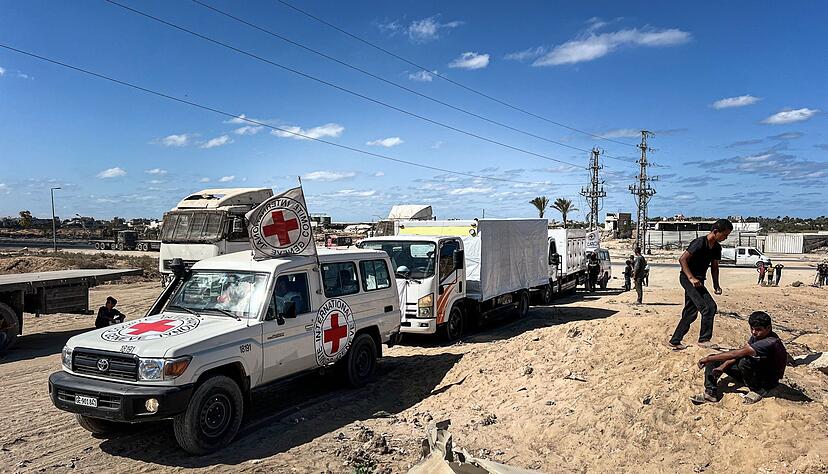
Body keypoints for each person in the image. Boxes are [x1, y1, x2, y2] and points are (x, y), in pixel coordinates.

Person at [691, 311, 787, 405]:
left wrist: (707, 359)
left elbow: (738, 354)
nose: (754, 332)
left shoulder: (770, 342)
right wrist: (723, 366)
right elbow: (741, 353)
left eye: (758, 329)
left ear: (768, 328)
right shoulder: (758, 336)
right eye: (752, 328)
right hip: (756, 372)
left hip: (768, 380)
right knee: (715, 359)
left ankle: (757, 390)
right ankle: (710, 393)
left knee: (744, 361)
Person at [667, 219, 733, 350]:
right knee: (708, 307)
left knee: (690, 312)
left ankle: (675, 341)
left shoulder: (717, 248)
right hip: (688, 279)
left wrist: (716, 285)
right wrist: (691, 277)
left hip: (699, 281)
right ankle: (704, 339)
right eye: (725, 235)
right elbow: (682, 259)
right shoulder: (699, 242)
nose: (726, 238)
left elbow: (714, 267)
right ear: (715, 232)